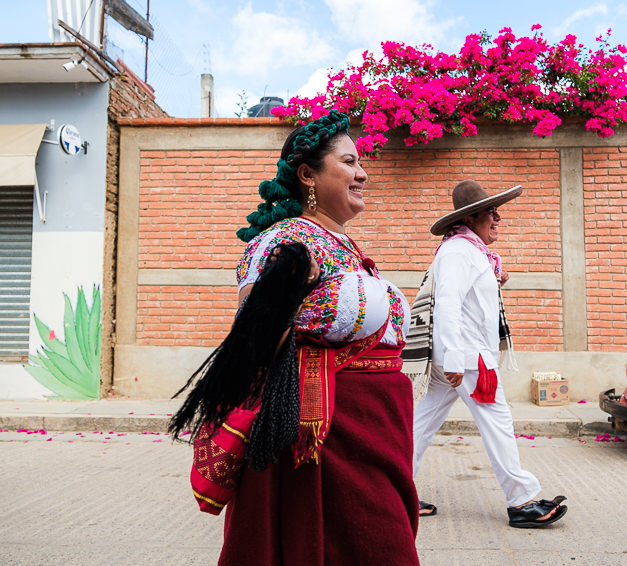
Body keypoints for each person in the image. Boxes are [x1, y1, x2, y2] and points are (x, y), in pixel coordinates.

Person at [169, 110, 420, 565]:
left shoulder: (343, 245)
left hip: (374, 429)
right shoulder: (287, 243)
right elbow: (254, 342)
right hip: (323, 439)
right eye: (349, 162)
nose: (362, 173)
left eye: (360, 162)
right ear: (308, 174)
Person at [404, 179, 568, 529]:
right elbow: (447, 305)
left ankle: (396, 492)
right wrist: (452, 360)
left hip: (459, 356)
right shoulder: (460, 252)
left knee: (420, 425)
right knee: (498, 424)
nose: (498, 219)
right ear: (472, 217)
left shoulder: (469, 252)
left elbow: (467, 302)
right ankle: (522, 501)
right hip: (467, 359)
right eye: (492, 213)